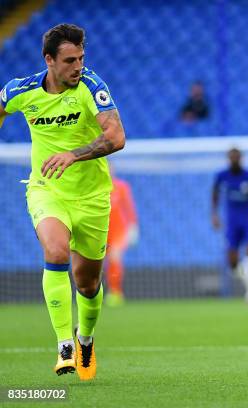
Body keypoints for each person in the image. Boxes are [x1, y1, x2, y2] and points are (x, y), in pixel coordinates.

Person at [0, 23, 126, 380]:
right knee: (55, 252)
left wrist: (74, 154)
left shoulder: (91, 87)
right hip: (46, 189)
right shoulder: (20, 91)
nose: (78, 66)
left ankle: (85, 339)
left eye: (82, 58)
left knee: (87, 283)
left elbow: (116, 138)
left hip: (92, 198)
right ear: (49, 60)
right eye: (70, 60)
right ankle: (64, 346)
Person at [212, 148, 248, 305]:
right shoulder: (221, 176)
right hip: (231, 221)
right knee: (232, 262)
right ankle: (247, 281)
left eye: (236, 158)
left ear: (241, 159)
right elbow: (215, 194)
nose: (234, 161)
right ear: (228, 159)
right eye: (231, 158)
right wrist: (214, 214)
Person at [105, 171, 139, 307]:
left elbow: (129, 208)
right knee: (101, 263)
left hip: (118, 230)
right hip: (101, 230)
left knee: (115, 257)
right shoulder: (95, 187)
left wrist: (133, 227)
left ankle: (116, 292)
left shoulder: (121, 187)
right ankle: (98, 292)